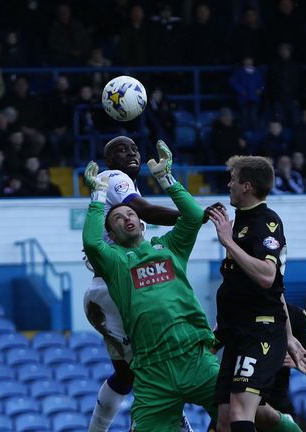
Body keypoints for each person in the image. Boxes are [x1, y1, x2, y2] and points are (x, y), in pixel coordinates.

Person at [82, 136, 220, 432]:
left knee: (126, 374)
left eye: (134, 148)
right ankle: (171, 418)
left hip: (104, 287)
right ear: (108, 161)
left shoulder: (121, 191)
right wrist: (192, 215)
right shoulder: (115, 178)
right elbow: (144, 209)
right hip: (116, 282)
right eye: (121, 150)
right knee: (146, 366)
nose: (131, 152)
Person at [208, 156, 306, 432]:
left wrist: (228, 242)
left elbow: (268, 277)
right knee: (223, 420)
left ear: (246, 186)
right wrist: (290, 336)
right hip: (236, 330)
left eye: (232, 179)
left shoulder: (266, 223)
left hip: (259, 332)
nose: (228, 184)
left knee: (241, 412)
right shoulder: (242, 221)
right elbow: (278, 289)